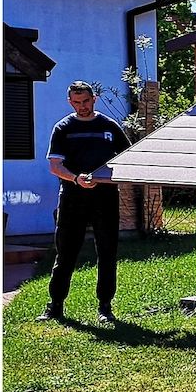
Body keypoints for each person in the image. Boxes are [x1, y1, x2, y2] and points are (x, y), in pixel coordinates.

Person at [37, 81, 130, 323]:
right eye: (77, 103)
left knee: (108, 252)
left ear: (94, 99)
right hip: (72, 198)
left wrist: (108, 176)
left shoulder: (109, 126)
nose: (82, 106)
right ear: (70, 102)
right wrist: (76, 179)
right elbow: (55, 166)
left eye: (86, 101)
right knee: (66, 253)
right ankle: (55, 306)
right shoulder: (63, 128)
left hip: (105, 197)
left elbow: (127, 158)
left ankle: (105, 307)